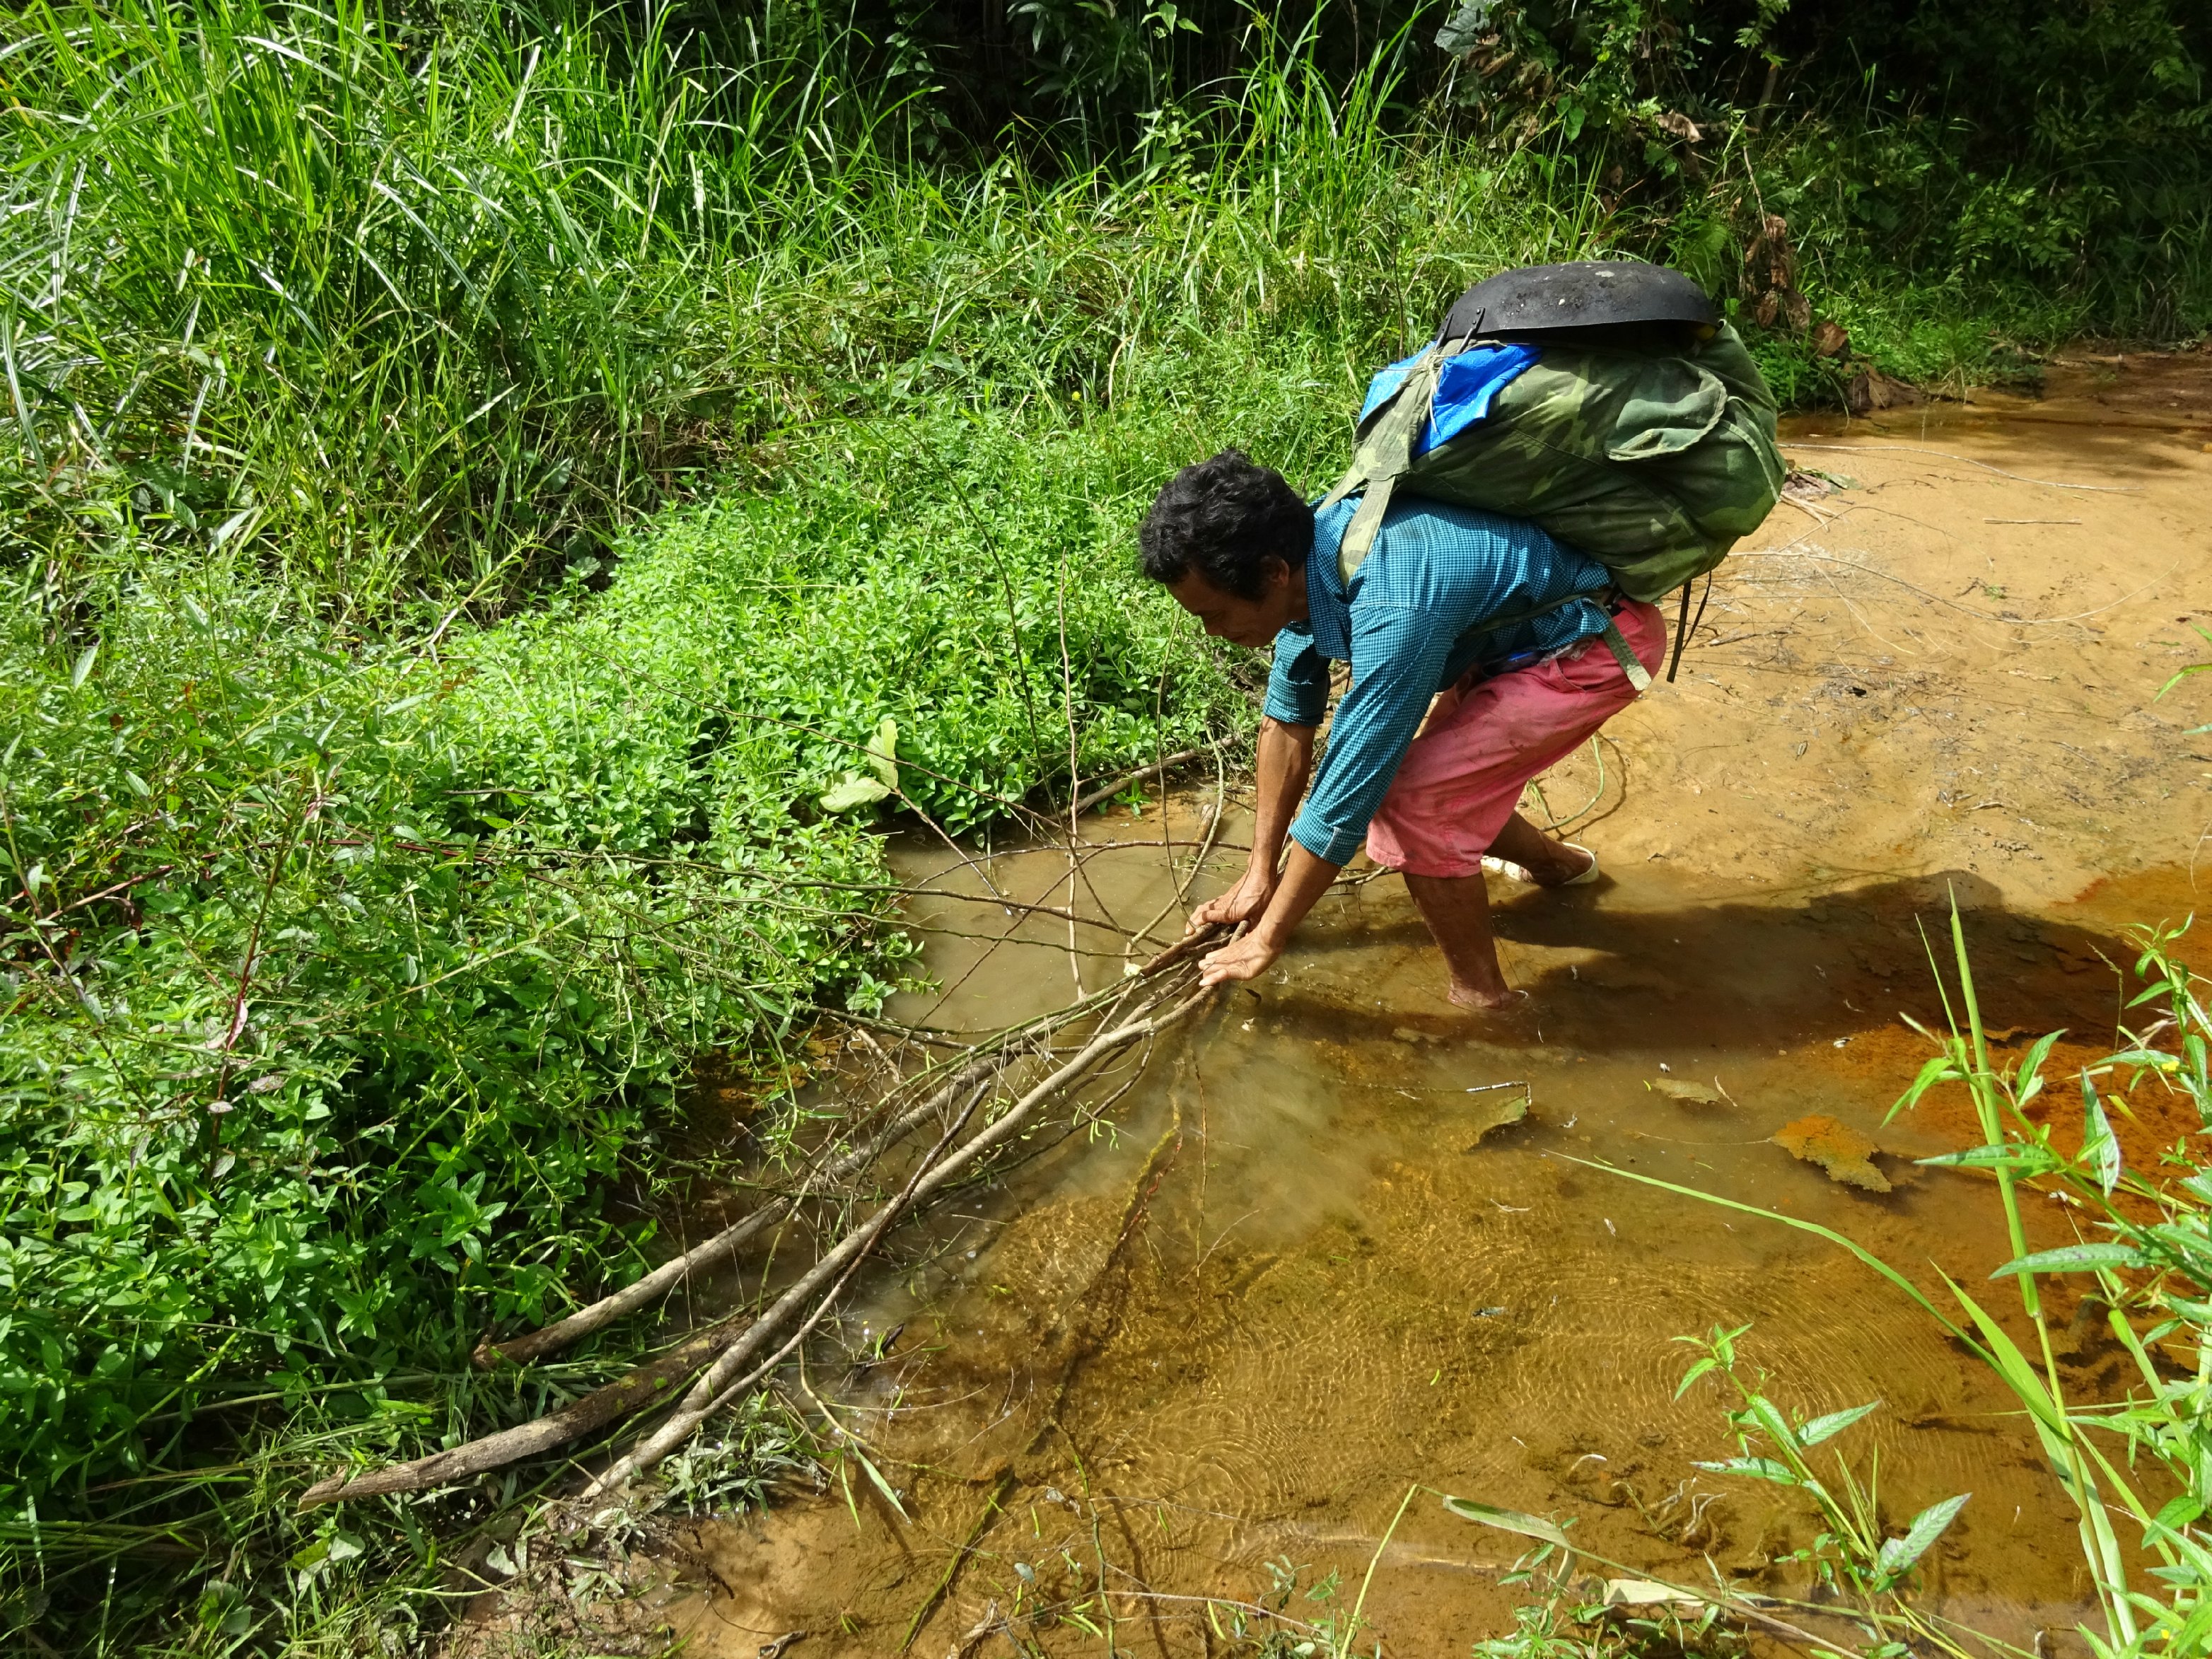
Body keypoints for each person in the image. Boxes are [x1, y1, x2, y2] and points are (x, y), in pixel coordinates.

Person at [1139, 448, 1666, 1010]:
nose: (1215, 632)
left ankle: (1484, 1001)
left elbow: (1348, 795)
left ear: (1273, 572)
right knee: (1441, 790)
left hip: (1593, 645)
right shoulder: (1309, 558)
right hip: (1512, 642)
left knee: (1415, 806)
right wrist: (1258, 874)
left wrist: (1269, 937)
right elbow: (1287, 719)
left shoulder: (1394, 602)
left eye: (1215, 614)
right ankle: (1561, 868)